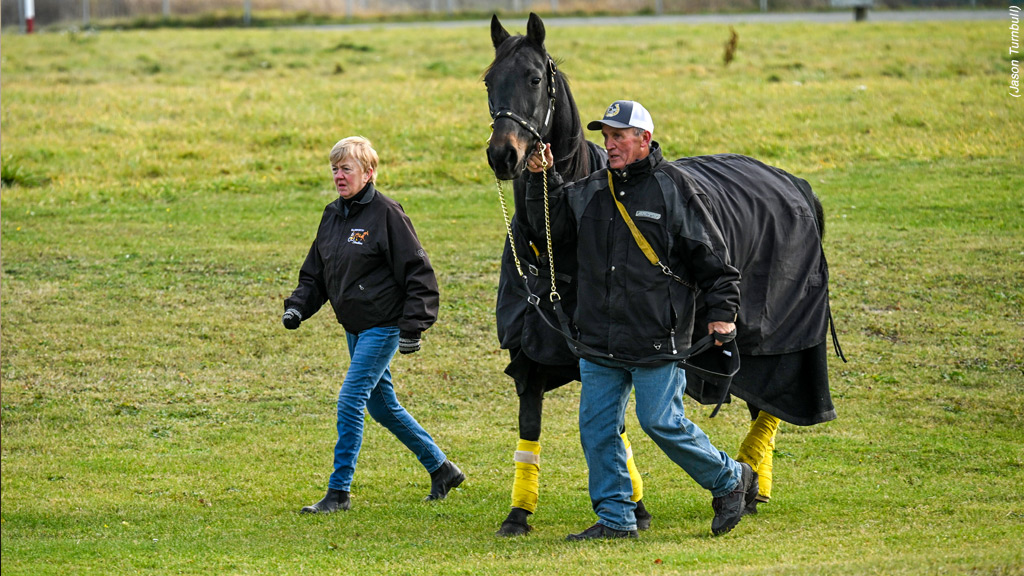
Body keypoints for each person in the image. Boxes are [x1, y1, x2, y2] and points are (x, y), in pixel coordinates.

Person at [524, 101, 757, 540]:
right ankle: (616, 519)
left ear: (644, 140)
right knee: (596, 428)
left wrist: (723, 315)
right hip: (598, 338)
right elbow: (549, 231)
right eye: (605, 137)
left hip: (656, 335)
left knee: (660, 422)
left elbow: (716, 264)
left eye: (618, 136)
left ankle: (731, 479)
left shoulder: (677, 190)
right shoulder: (591, 189)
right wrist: (542, 178)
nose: (608, 145)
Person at [283, 136, 464, 514]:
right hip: (355, 326)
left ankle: (339, 492)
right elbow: (316, 273)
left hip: (384, 325)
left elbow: (419, 272)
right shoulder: (332, 214)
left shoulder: (386, 214)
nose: (338, 175)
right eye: (334, 168)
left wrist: (413, 326)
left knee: (351, 400)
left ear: (368, 172)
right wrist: (298, 307)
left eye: (346, 168)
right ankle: (442, 468)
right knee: (382, 407)